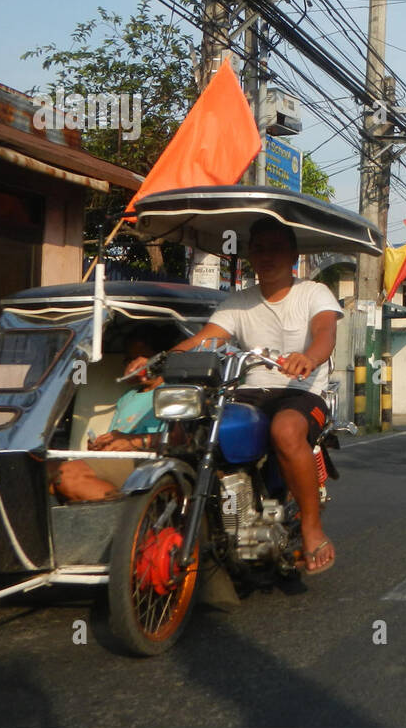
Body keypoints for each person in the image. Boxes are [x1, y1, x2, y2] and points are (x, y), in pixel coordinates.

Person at [129, 217, 342, 576]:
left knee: (286, 431)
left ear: (292, 254)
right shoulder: (237, 302)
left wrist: (309, 357)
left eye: (276, 248)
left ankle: (310, 527)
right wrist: (158, 364)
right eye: (259, 248)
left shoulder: (314, 293)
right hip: (246, 391)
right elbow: (206, 339)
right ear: (249, 255)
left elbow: (325, 333)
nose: (267, 256)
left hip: (301, 391)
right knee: (190, 430)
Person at [52, 333, 170, 502]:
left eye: (141, 358)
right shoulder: (127, 398)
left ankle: (126, 518)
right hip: (115, 459)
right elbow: (116, 435)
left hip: (145, 460)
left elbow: (180, 439)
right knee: (47, 471)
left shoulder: (174, 392)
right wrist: (100, 444)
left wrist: (133, 442)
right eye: (129, 360)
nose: (134, 365)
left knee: (67, 476)